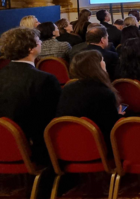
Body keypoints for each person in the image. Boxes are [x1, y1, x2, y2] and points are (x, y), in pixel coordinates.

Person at [0, 27, 61, 166]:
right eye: (38, 41)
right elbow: (55, 117)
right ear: (30, 49)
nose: (41, 43)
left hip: (3, 145)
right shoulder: (45, 79)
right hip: (36, 147)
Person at [56, 50, 122, 149]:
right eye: (102, 60)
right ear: (97, 66)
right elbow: (110, 129)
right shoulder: (104, 93)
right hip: (98, 146)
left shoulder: (67, 88)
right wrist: (119, 116)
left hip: (70, 145)